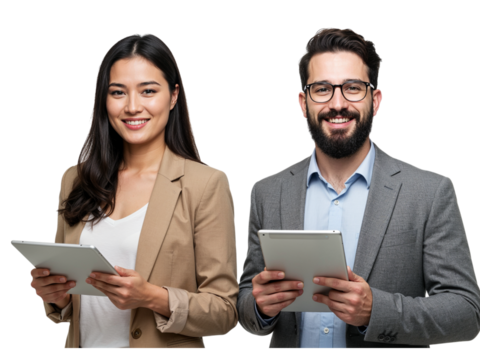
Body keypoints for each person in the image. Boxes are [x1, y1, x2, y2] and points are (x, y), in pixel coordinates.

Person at [237, 27, 480, 349]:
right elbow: (244, 301)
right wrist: (259, 307)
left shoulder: (430, 192)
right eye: (322, 89)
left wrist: (374, 311)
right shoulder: (267, 192)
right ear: (302, 102)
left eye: (352, 88)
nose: (337, 104)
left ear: (376, 100)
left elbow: (465, 313)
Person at [28, 33, 238, 349]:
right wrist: (57, 296)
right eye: (118, 92)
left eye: (148, 91)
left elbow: (224, 311)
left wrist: (151, 297)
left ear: (172, 96)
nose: (132, 107)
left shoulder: (206, 184)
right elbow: (70, 306)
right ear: (103, 100)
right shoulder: (74, 180)